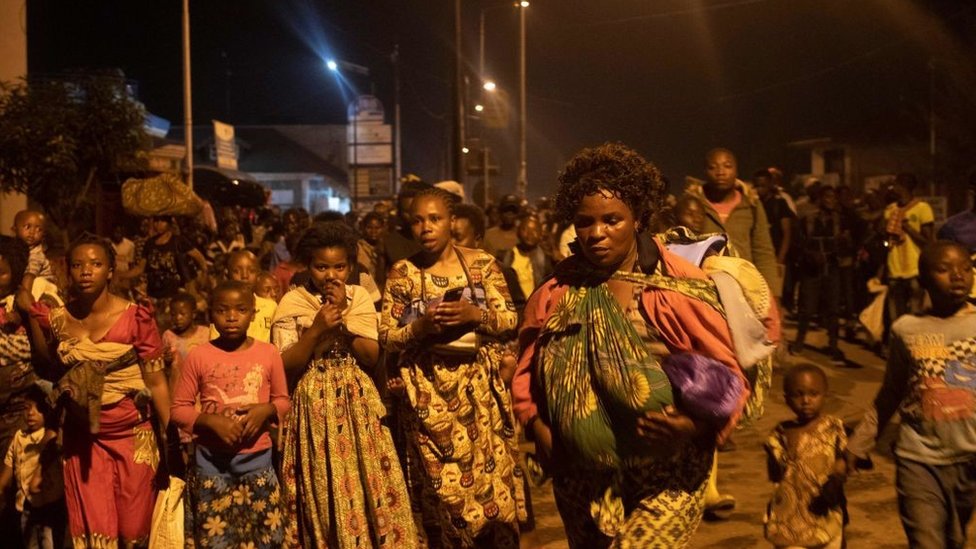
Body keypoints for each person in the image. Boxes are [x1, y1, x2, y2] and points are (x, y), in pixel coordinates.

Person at [512, 143, 748, 547]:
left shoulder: (679, 288)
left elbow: (729, 377)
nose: (597, 233)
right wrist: (535, 423)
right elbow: (526, 369)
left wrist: (694, 425)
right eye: (585, 222)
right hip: (582, 476)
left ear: (638, 219)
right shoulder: (557, 290)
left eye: (612, 220)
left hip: (668, 473)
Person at [381, 187, 526, 547]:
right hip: (428, 398)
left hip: (479, 394)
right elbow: (386, 335)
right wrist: (421, 328)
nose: (426, 227)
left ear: (451, 221)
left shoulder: (481, 264)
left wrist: (474, 314)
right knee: (442, 494)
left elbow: (509, 319)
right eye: (418, 220)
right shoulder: (403, 272)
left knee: (490, 489)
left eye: (435, 219)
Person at [272, 222, 416, 548]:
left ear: (350, 267)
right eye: (321, 267)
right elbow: (284, 365)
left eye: (339, 266)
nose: (331, 275)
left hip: (357, 404)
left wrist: (345, 320)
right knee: (323, 484)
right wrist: (316, 330)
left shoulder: (360, 297)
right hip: (313, 407)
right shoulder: (293, 302)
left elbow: (370, 355)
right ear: (308, 267)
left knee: (367, 482)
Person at [23, 234, 171, 548]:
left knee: (134, 531)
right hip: (83, 441)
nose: (86, 271)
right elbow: (51, 371)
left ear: (110, 271)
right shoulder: (60, 321)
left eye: (96, 264)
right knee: (95, 534)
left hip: (132, 435)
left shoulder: (136, 318)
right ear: (68, 271)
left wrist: (173, 439)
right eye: (78, 265)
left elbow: (157, 382)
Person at [847, 241, 976, 549]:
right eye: (944, 269)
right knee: (926, 540)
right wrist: (859, 444)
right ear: (923, 280)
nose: (957, 276)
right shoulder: (907, 329)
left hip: (970, 460)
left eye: (966, 268)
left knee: (954, 539)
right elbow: (892, 391)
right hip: (919, 459)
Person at [171, 280, 289, 548]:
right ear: (210, 314)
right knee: (218, 538)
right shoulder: (199, 356)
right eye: (223, 310)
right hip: (212, 465)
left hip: (258, 461)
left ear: (253, 313)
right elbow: (179, 409)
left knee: (266, 537)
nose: (232, 317)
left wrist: (266, 411)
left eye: (241, 309)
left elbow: (283, 401)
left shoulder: (268, 353)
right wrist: (209, 421)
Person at [765, 364, 847, 549]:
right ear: (787, 399)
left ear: (826, 395)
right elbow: (775, 475)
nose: (806, 400)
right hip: (788, 518)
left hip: (825, 511)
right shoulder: (780, 433)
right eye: (798, 395)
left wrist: (839, 474)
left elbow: (847, 459)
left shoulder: (833, 427)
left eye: (813, 394)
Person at [685, 149, 780, 295]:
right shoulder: (691, 205)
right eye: (713, 167)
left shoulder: (752, 205)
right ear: (705, 171)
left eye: (727, 166)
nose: (720, 172)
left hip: (745, 289)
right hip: (703, 290)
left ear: (736, 171)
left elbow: (763, 251)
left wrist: (773, 294)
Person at [790, 186, 851, 363]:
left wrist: (842, 243)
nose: (830, 201)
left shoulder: (840, 220)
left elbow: (847, 245)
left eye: (833, 198)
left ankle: (833, 345)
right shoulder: (808, 219)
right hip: (812, 269)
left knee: (833, 309)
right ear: (820, 199)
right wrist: (811, 255)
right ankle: (800, 341)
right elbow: (799, 244)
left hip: (832, 268)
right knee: (807, 309)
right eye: (827, 197)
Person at [0, 388, 65, 549]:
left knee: (49, 542)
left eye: (38, 409)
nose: (31, 413)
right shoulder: (19, 437)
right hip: (25, 505)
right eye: (27, 408)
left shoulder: (50, 438)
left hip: (48, 506)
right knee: (30, 543)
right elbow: (9, 464)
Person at [883, 173, 934, 323]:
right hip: (894, 269)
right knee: (896, 321)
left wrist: (907, 227)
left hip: (914, 270)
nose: (892, 188)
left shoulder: (922, 208)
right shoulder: (891, 210)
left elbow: (927, 242)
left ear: (903, 187)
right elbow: (883, 235)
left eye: (895, 185)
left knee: (915, 318)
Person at [210, 250, 276, 343]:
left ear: (258, 275)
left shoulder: (271, 307)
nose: (244, 276)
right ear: (227, 274)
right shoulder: (222, 308)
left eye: (252, 271)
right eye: (237, 271)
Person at [754, 169, 795, 296]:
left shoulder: (780, 204)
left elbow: (787, 234)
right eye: (757, 186)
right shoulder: (752, 203)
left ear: (770, 185)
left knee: (775, 294)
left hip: (776, 256)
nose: (760, 189)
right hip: (756, 259)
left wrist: (780, 260)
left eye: (763, 186)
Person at [497, 214, 552, 303]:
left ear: (541, 234)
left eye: (534, 230)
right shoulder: (505, 257)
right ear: (518, 232)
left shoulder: (546, 260)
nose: (530, 234)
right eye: (525, 229)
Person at [161, 291, 209, 389]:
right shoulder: (168, 335)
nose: (178, 318)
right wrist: (166, 360)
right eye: (173, 314)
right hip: (178, 388)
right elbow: (164, 366)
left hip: (201, 387)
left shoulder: (205, 333)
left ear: (193, 314)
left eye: (182, 314)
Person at [11, 210, 53, 295]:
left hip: (45, 289)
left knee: (38, 282)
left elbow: (29, 276)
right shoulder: (14, 249)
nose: (32, 232)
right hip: (27, 285)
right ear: (14, 229)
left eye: (39, 229)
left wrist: (24, 294)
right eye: (27, 227)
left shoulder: (36, 254)